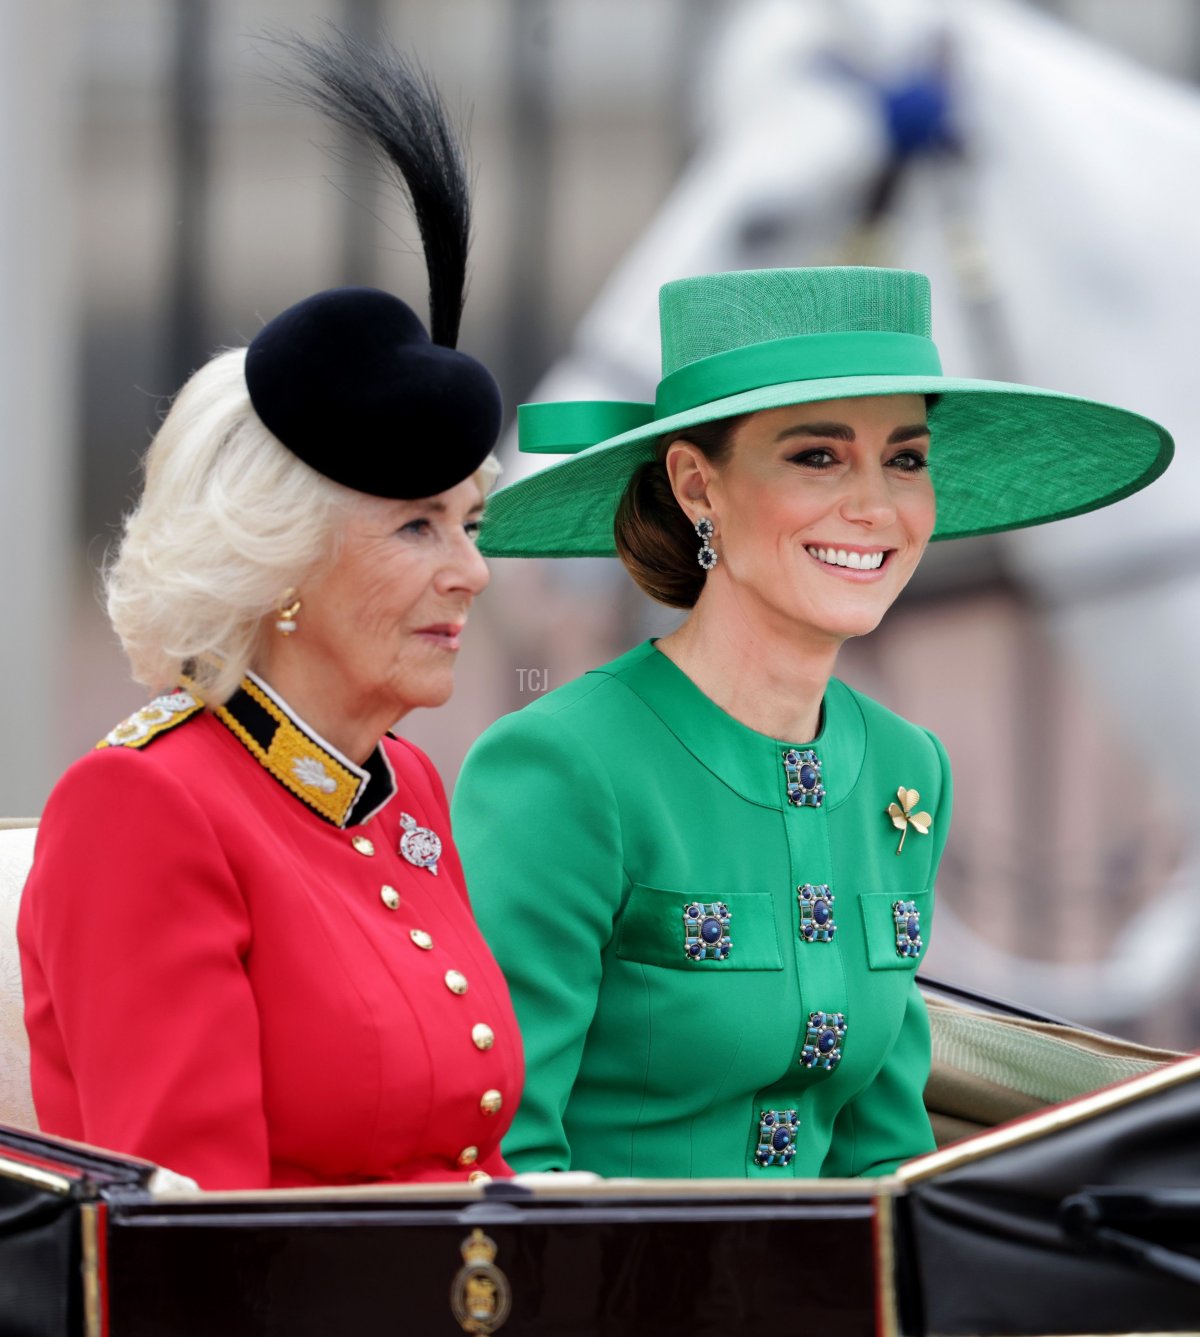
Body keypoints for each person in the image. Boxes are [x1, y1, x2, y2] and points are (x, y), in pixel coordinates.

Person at [451, 264, 1172, 1178]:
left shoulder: (906, 768)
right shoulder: (561, 766)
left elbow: (886, 1162)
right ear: (697, 486)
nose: (875, 507)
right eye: (817, 456)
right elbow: (502, 1162)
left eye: (905, 458)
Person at [18, 37, 522, 1191]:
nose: (470, 573)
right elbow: (195, 1254)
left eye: (471, 525)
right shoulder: (142, 806)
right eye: (417, 527)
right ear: (279, 561)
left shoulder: (405, 787)